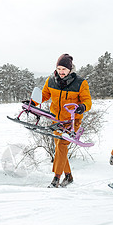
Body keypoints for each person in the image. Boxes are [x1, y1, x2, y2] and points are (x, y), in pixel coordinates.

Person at [41, 54, 92, 188]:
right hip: (56, 120)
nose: (61, 72)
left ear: (70, 69)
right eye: (59, 68)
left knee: (61, 146)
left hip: (72, 121)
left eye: (64, 69)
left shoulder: (80, 83)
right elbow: (44, 95)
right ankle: (68, 176)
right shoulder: (51, 81)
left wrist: (83, 106)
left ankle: (56, 179)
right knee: (59, 148)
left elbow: (87, 101)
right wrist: (31, 102)